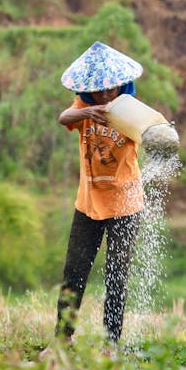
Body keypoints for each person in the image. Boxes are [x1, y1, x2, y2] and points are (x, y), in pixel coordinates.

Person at [52, 41, 144, 348]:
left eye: (111, 89)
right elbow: (63, 118)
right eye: (99, 90)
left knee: (116, 280)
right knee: (74, 274)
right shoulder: (83, 108)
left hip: (126, 205)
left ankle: (110, 346)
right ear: (90, 89)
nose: (106, 95)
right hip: (89, 204)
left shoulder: (130, 109)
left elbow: (153, 130)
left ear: (121, 85)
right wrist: (89, 111)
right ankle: (62, 341)